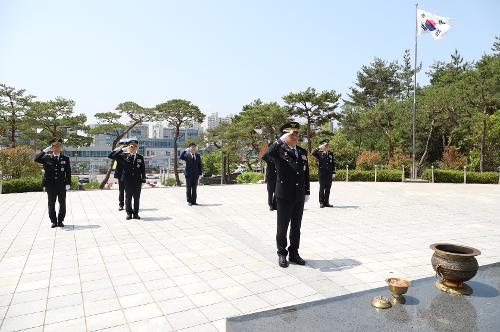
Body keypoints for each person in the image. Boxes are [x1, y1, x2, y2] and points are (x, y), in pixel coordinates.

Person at [263, 122, 310, 268]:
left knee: (296, 226)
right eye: (292, 133)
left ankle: (294, 253)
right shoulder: (278, 150)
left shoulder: (302, 152)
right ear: (285, 135)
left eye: (297, 133)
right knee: (282, 226)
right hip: (284, 194)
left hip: (299, 194)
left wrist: (307, 191)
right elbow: (265, 155)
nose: (296, 136)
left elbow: (305, 173)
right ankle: (282, 253)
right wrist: (279, 141)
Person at [35, 138, 71, 228]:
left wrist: (68, 183)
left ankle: (60, 221)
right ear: (51, 148)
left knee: (62, 203)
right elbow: (36, 159)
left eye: (58, 146)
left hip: (61, 185)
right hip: (50, 185)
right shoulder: (46, 157)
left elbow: (68, 172)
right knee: (51, 203)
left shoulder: (65, 158)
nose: (56, 148)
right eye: (54, 147)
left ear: (61, 148)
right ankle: (54, 221)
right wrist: (44, 150)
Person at [109, 139, 146, 220]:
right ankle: (129, 213)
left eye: (135, 146)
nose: (133, 148)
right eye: (131, 146)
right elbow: (111, 155)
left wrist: (143, 179)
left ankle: (136, 214)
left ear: (137, 148)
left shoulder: (140, 157)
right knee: (128, 197)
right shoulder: (123, 156)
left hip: (137, 181)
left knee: (136, 198)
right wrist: (122, 148)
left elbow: (142, 169)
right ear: (129, 147)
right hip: (127, 180)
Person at [312, 139, 336, 208]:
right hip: (322, 174)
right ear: (322, 146)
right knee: (322, 188)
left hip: (329, 174)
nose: (327, 146)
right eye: (325, 145)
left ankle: (327, 202)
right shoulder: (319, 153)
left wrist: (333, 172)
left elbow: (333, 163)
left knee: (328, 188)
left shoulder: (330, 153)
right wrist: (319, 147)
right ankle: (321, 202)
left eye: (327, 145)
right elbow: (313, 153)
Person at [108, 139, 129, 211]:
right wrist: (119, 149)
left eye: (126, 145)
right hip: (120, 175)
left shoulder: (130, 154)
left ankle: (128, 204)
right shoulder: (119, 155)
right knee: (121, 190)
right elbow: (110, 156)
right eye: (123, 145)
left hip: (129, 175)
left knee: (128, 191)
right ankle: (121, 205)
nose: (125, 146)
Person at [262, 147, 277, 211]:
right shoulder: (267, 155)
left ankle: (275, 204)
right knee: (270, 191)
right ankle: (270, 205)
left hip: (277, 176)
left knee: (277, 191)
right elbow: (262, 155)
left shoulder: (278, 154)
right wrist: (265, 146)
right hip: (270, 176)